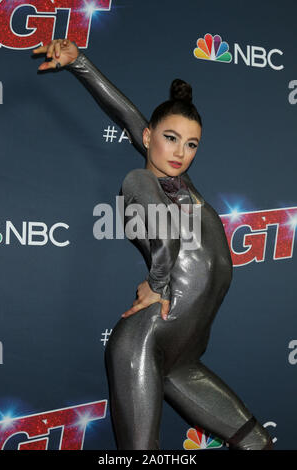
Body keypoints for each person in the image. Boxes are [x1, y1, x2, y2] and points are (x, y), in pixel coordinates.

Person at [32, 39, 274, 450]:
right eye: (170, 138)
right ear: (148, 137)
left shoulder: (182, 187)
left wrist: (81, 62)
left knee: (255, 443)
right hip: (145, 342)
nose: (180, 152)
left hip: (184, 357)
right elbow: (163, 237)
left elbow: (127, 115)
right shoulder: (140, 181)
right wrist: (159, 282)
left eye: (191, 144)